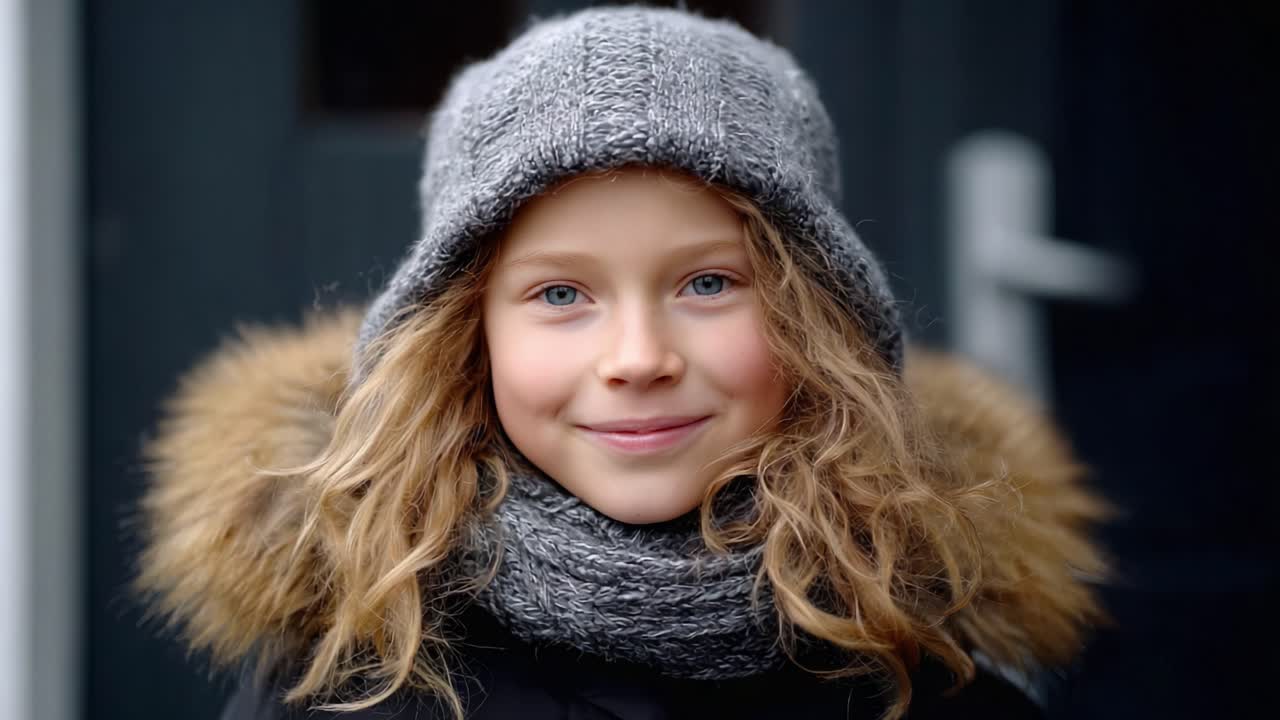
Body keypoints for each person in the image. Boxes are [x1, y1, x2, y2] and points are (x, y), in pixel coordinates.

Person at [134, 6, 1111, 719]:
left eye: (707, 285)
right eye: (561, 295)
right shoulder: (341, 683)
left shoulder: (923, 687)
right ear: (462, 336)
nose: (637, 359)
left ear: (821, 320)